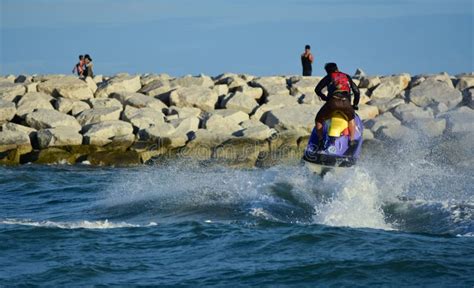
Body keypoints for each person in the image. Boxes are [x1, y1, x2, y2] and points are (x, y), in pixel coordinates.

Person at [314, 62, 360, 148]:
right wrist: (355, 104)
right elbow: (356, 91)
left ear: (327, 71)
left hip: (332, 103)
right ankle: (352, 140)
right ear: (337, 68)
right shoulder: (347, 76)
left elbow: (317, 89)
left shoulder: (329, 76)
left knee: (319, 119)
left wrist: (324, 98)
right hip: (346, 103)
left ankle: (320, 141)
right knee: (351, 119)